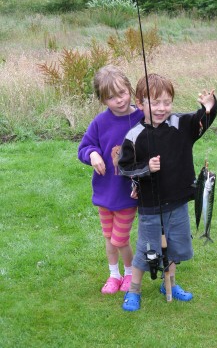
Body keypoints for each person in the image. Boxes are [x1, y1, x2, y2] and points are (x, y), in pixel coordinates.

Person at [118, 73, 217, 311]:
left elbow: (202, 120)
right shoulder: (134, 136)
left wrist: (210, 107)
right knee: (146, 249)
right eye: (155, 103)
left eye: (167, 102)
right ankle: (134, 290)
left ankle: (169, 284)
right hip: (151, 205)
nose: (162, 108)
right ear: (140, 104)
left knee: (173, 247)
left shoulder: (181, 125)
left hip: (179, 201)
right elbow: (124, 167)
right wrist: (146, 168)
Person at [78, 65, 143, 294]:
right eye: (111, 97)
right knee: (109, 238)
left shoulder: (142, 117)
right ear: (103, 100)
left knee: (119, 239)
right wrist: (93, 154)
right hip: (105, 193)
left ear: (130, 89)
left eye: (123, 93)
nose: (119, 100)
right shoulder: (99, 122)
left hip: (128, 194)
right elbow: (84, 147)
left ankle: (129, 273)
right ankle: (113, 275)